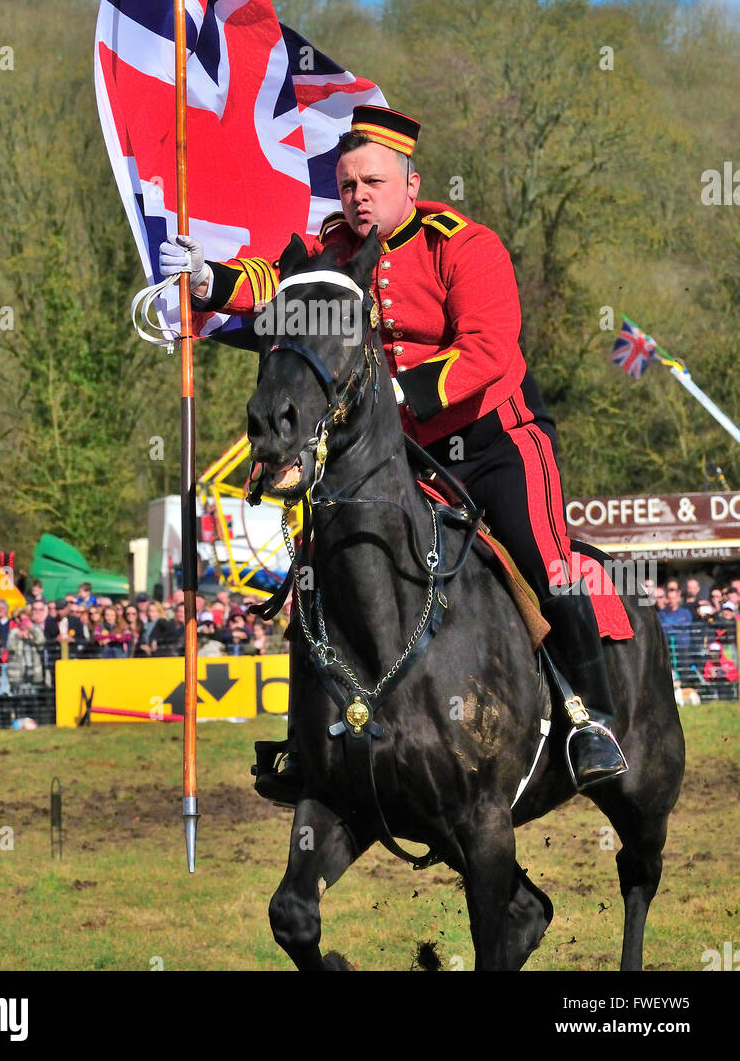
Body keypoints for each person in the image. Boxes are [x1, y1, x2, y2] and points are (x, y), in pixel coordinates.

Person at [162, 103, 627, 794]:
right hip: (405, 458)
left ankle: (591, 721)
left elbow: (489, 352)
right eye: (348, 185)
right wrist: (210, 282)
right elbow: (277, 286)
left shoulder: (463, 245)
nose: (357, 198)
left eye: (372, 183)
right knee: (322, 570)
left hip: (497, 445)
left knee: (546, 563)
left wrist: (402, 396)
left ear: (410, 185)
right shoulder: (336, 251)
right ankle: (305, 745)